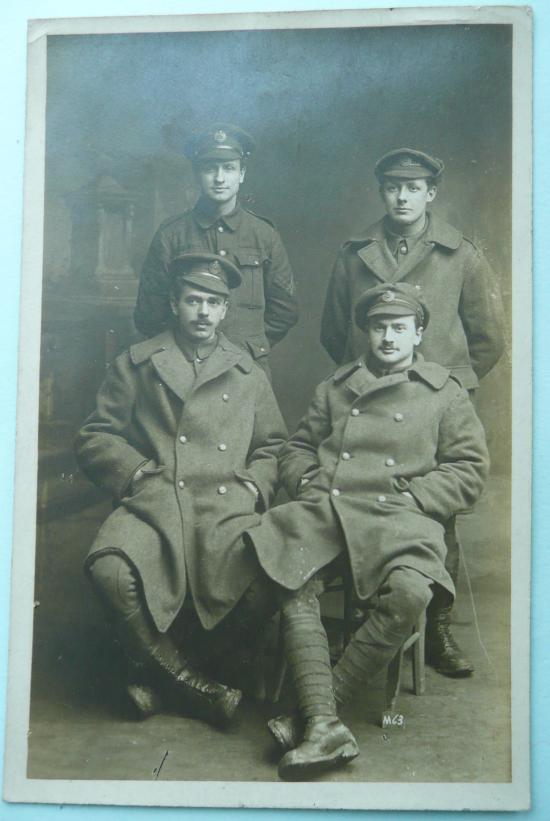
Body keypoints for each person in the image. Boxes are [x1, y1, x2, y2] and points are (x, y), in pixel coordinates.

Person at [246, 283, 489, 779]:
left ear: (418, 333)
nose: (387, 337)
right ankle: (325, 725)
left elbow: (468, 467)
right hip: (330, 513)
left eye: (399, 327)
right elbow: (296, 448)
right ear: (367, 332)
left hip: (400, 519)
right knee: (292, 579)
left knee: (410, 592)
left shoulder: (444, 391)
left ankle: (316, 717)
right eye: (379, 327)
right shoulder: (336, 386)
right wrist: (307, 478)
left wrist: (419, 497)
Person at [75, 252, 287, 726]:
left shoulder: (248, 371)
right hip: (156, 501)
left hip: (225, 507)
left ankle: (159, 675)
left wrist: (255, 487)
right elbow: (95, 434)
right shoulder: (139, 363)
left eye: (214, 302)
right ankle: (193, 686)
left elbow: (274, 444)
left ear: (226, 310)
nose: (204, 312)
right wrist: (133, 472)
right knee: (110, 570)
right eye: (194, 300)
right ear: (175, 303)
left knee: (265, 580)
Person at [320, 148, 504, 676]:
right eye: (393, 187)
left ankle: (437, 628)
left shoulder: (462, 254)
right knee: (359, 508)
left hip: (434, 405)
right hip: (369, 400)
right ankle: (365, 624)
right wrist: (370, 385)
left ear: (431, 194)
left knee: (436, 515)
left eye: (414, 187)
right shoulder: (355, 254)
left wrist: (442, 388)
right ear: (382, 192)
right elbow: (337, 333)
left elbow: (488, 340)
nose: (402, 196)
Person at [134, 123, 299, 373]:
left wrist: (249, 344)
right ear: (197, 175)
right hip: (183, 367)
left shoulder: (264, 235)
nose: (220, 178)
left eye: (229, 168)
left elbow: (284, 310)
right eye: (210, 169)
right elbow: (149, 314)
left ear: (242, 174)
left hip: (246, 367)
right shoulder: (172, 235)